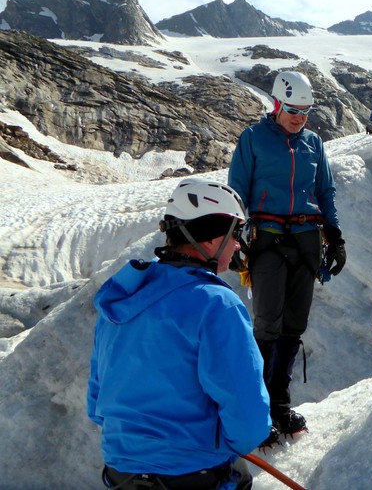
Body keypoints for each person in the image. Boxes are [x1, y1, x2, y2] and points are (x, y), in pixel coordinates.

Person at [87, 177, 272, 490]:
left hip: (120, 472)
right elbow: (248, 415)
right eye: (235, 233)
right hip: (192, 475)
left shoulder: (122, 299)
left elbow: (97, 403)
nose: (239, 244)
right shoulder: (217, 304)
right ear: (211, 239)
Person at [228, 70, 346, 446]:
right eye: (293, 109)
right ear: (277, 104)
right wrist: (232, 239)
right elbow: (237, 192)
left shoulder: (314, 143)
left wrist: (336, 236)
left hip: (308, 240)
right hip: (267, 240)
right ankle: (256, 408)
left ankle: (278, 403)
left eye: (306, 111)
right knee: (266, 325)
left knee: (293, 326)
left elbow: (324, 191)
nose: (299, 117)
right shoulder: (253, 138)